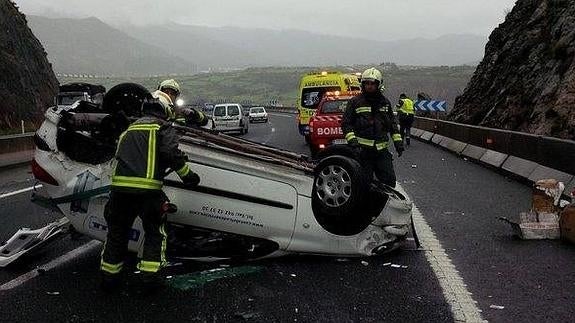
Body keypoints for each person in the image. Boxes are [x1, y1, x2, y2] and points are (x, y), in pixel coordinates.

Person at [100, 94, 201, 292]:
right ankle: (150, 279)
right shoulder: (162, 127)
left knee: (116, 235)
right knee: (156, 233)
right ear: (164, 112)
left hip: (119, 192)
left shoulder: (129, 130)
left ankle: (109, 279)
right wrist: (189, 176)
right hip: (148, 193)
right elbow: (171, 154)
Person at [342, 67, 404, 188]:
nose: (369, 86)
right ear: (362, 84)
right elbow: (346, 123)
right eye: (367, 83)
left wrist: (398, 144)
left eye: (372, 84)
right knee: (364, 183)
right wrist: (353, 141)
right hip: (362, 151)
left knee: (389, 181)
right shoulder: (355, 102)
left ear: (379, 84)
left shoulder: (385, 103)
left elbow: (392, 125)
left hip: (381, 152)